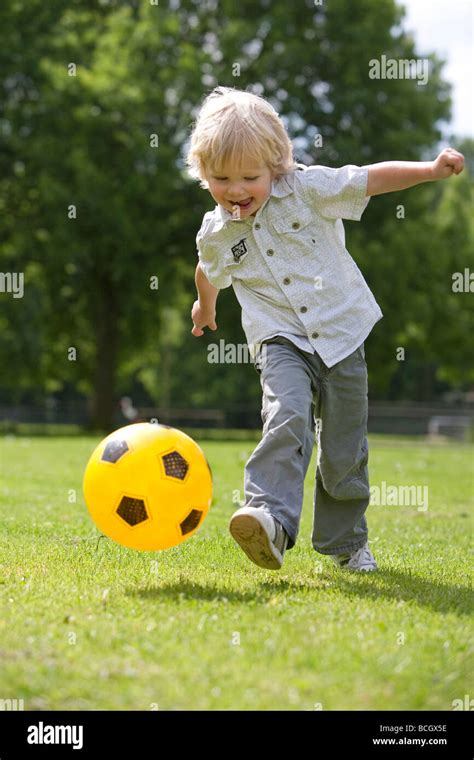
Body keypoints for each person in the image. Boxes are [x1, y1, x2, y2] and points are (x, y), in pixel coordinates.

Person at [186, 85, 464, 572]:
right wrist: (203, 307)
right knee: (287, 413)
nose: (234, 190)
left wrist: (429, 171)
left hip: (342, 335)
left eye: (249, 177)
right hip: (279, 340)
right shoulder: (216, 231)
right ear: (203, 173)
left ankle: (346, 543)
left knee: (343, 450)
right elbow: (207, 270)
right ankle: (268, 518)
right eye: (220, 178)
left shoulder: (308, 189)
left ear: (275, 166)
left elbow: (369, 180)